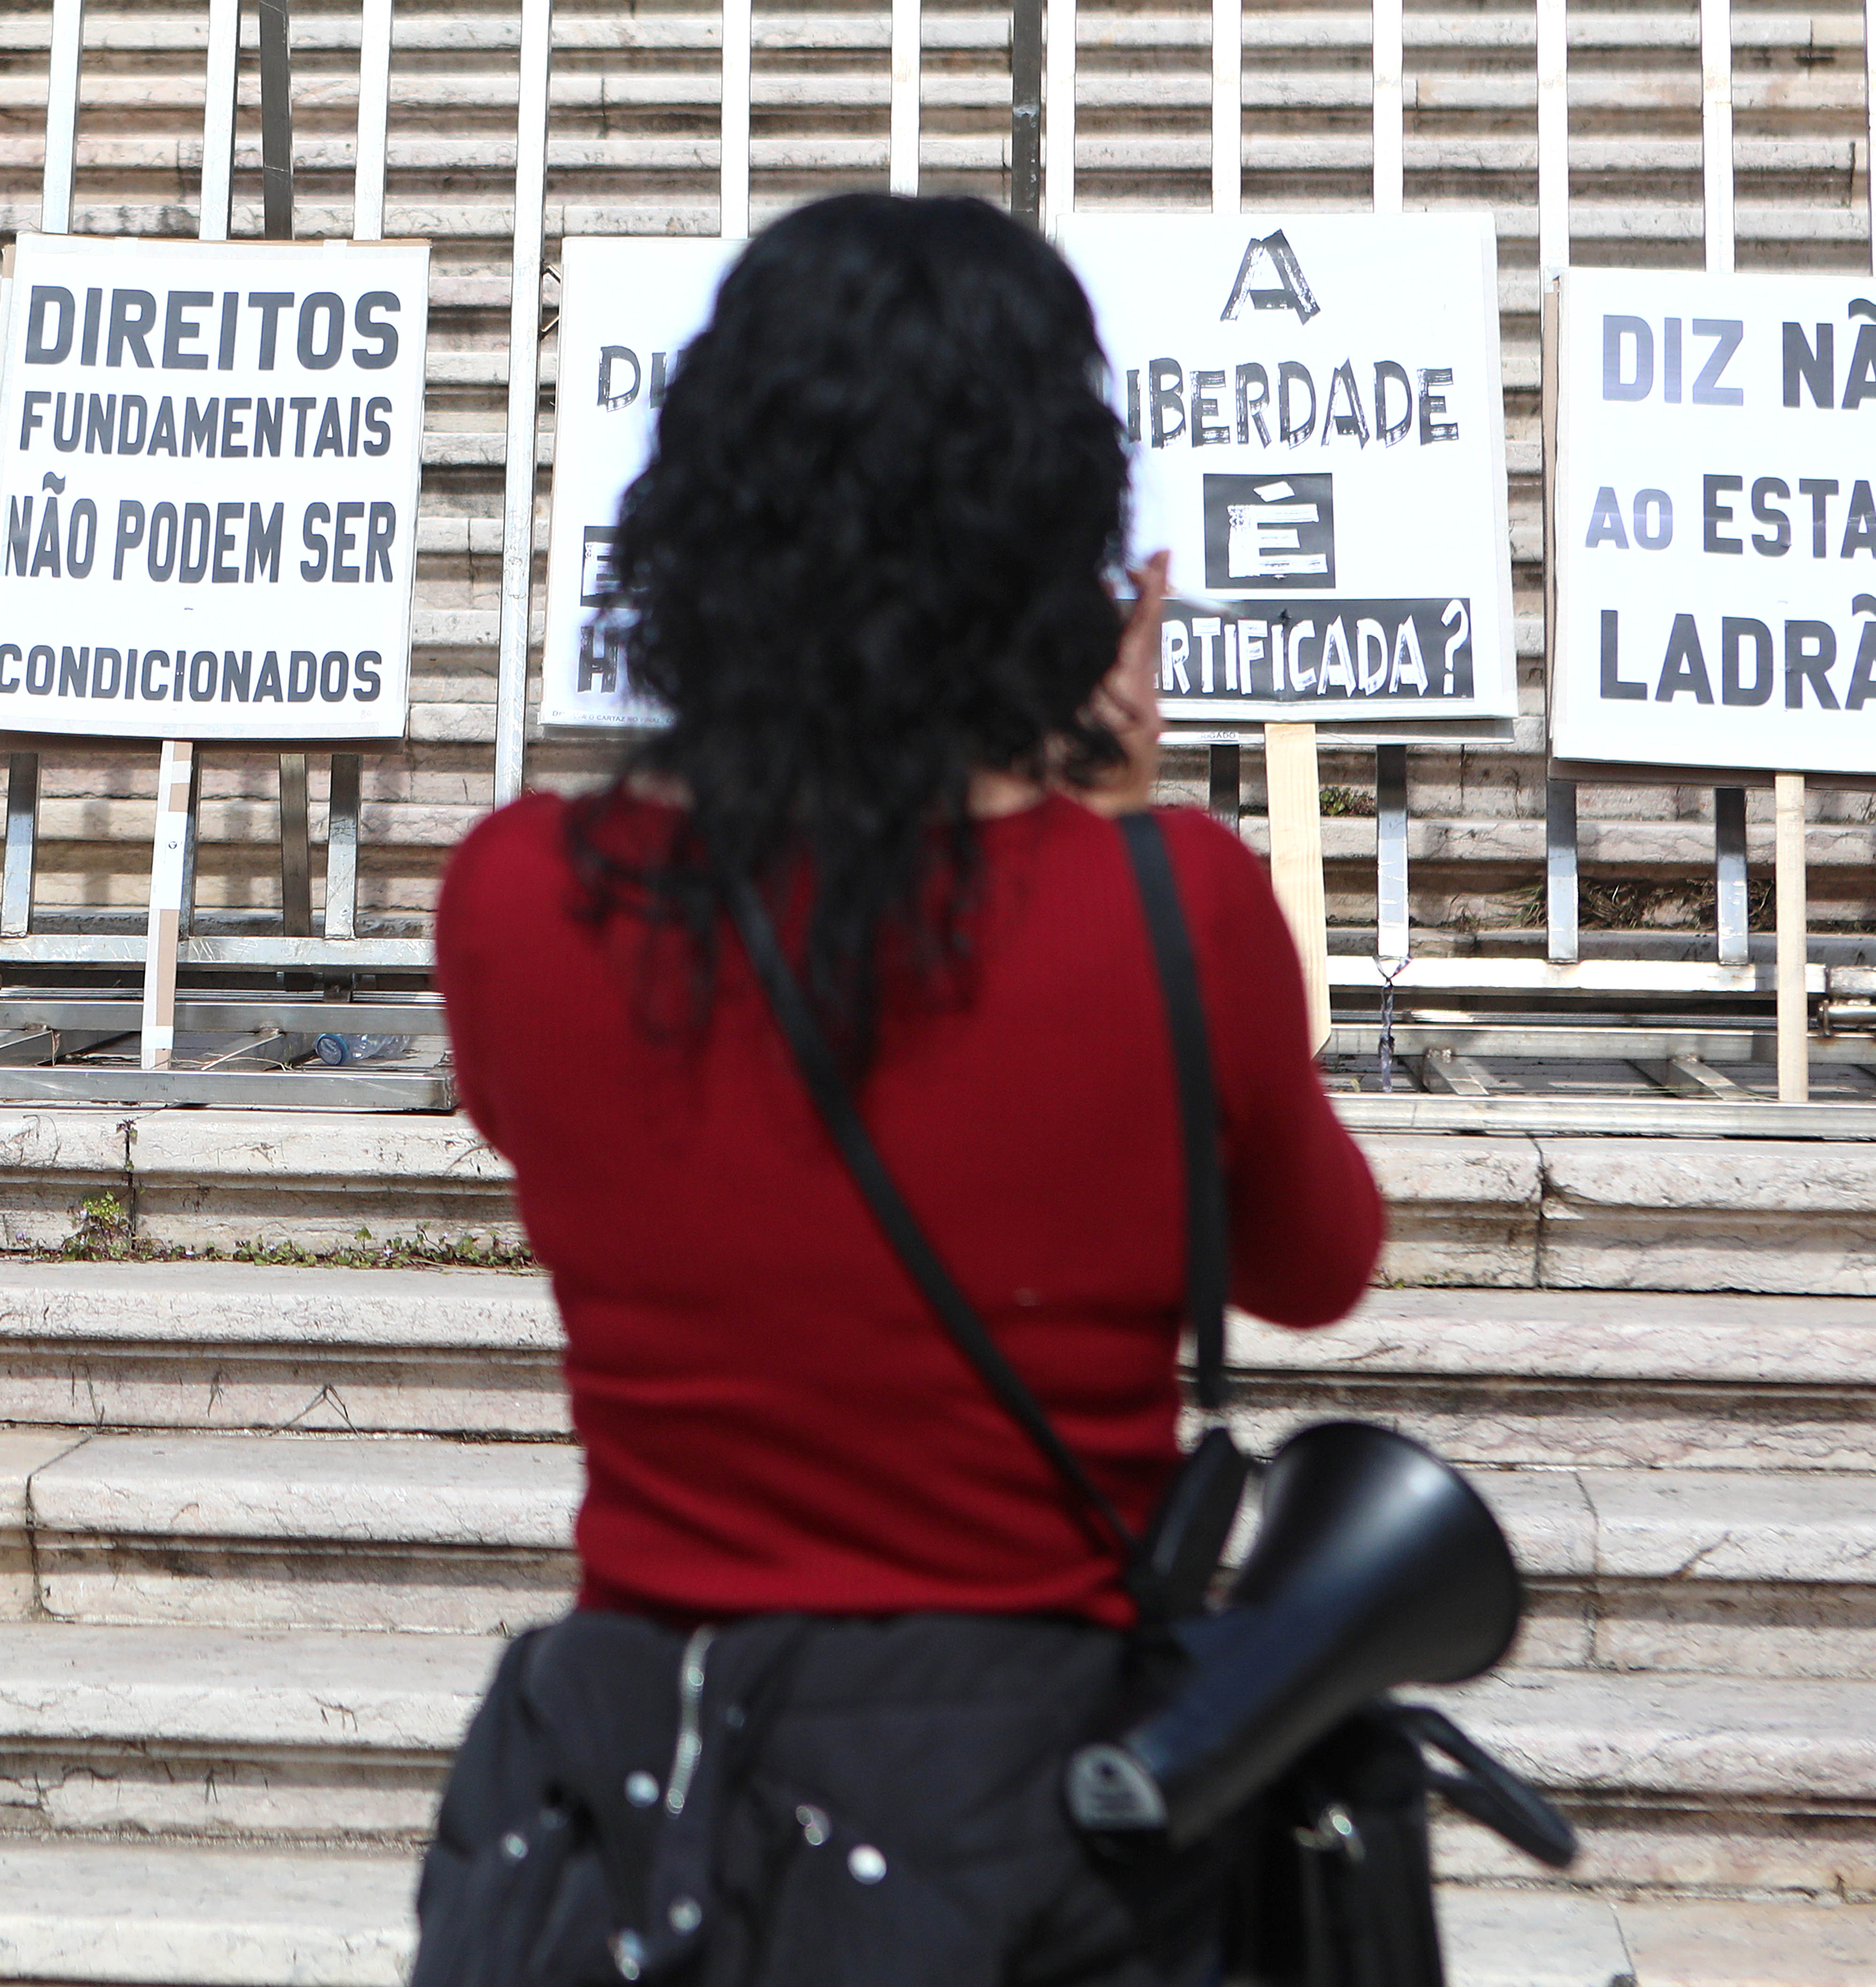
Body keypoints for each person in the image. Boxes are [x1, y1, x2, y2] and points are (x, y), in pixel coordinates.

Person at [419, 193, 1385, 1987]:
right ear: (1059, 546)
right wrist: (1100, 818)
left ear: (701, 513)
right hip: (1035, 1822)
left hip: (647, 1805)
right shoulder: (1179, 911)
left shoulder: (518, 895)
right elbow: (1312, 1263)